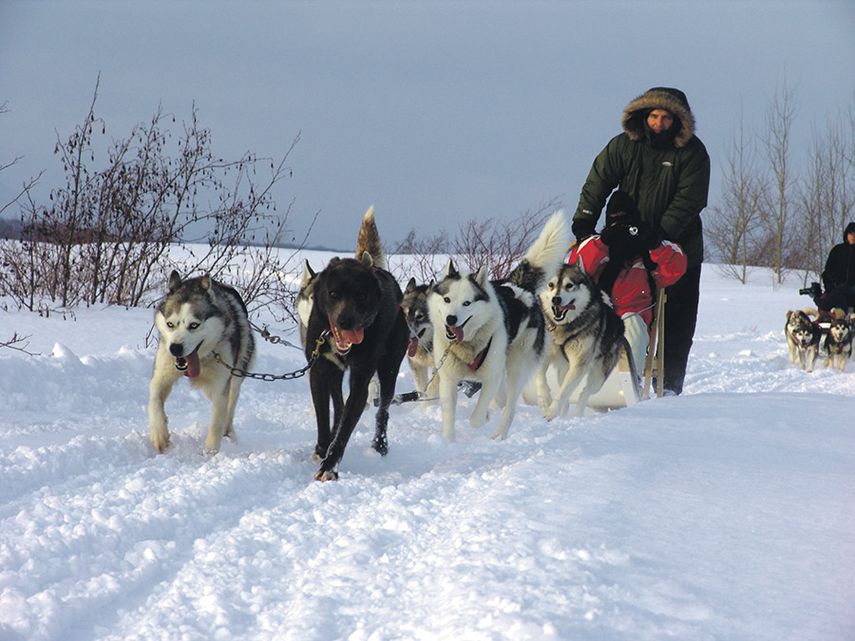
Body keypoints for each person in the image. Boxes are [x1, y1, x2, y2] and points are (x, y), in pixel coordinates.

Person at [572, 87, 710, 395]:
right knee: (612, 303)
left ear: (678, 121)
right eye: (653, 116)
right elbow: (598, 182)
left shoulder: (693, 153)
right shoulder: (624, 145)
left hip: (678, 248)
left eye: (665, 118)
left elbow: (690, 200)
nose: (658, 123)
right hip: (623, 241)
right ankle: (601, 370)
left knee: (677, 319)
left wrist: (656, 235)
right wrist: (585, 220)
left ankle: (670, 384)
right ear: (643, 117)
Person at [567, 190, 687, 373]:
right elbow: (574, 272)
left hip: (634, 315)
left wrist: (654, 243)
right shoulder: (597, 245)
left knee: (632, 327)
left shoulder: (648, 251)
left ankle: (628, 381)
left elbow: (676, 267)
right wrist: (604, 242)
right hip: (596, 315)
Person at [815, 222, 855, 312]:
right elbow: (828, 271)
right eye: (851, 233)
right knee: (837, 295)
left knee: (838, 294)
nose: (853, 236)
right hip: (835, 288)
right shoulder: (838, 250)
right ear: (846, 234)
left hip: (852, 289)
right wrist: (829, 285)